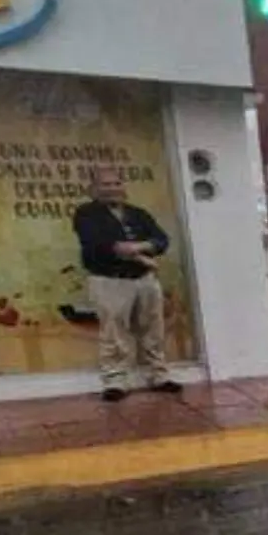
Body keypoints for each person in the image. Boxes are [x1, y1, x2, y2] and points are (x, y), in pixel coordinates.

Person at [73, 167, 177, 401]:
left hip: (145, 280)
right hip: (110, 281)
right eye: (106, 185)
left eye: (117, 183)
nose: (113, 189)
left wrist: (138, 249)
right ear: (94, 189)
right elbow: (100, 245)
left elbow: (161, 240)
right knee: (114, 333)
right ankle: (116, 381)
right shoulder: (86, 214)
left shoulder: (138, 213)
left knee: (153, 330)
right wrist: (141, 255)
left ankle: (158, 376)